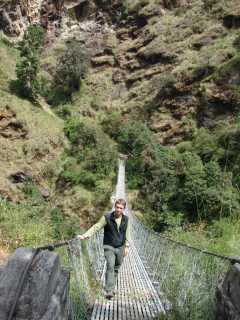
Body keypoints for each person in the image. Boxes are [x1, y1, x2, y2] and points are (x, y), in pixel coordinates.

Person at [77, 198, 130, 299]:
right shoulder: (107, 217)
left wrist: (127, 246)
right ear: (115, 207)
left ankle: (112, 287)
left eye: (121, 208)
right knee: (110, 265)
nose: (118, 210)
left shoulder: (126, 219)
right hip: (108, 245)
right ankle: (109, 291)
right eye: (117, 207)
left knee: (116, 267)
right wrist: (85, 235)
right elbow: (97, 227)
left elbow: (128, 233)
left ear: (124, 209)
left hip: (121, 246)